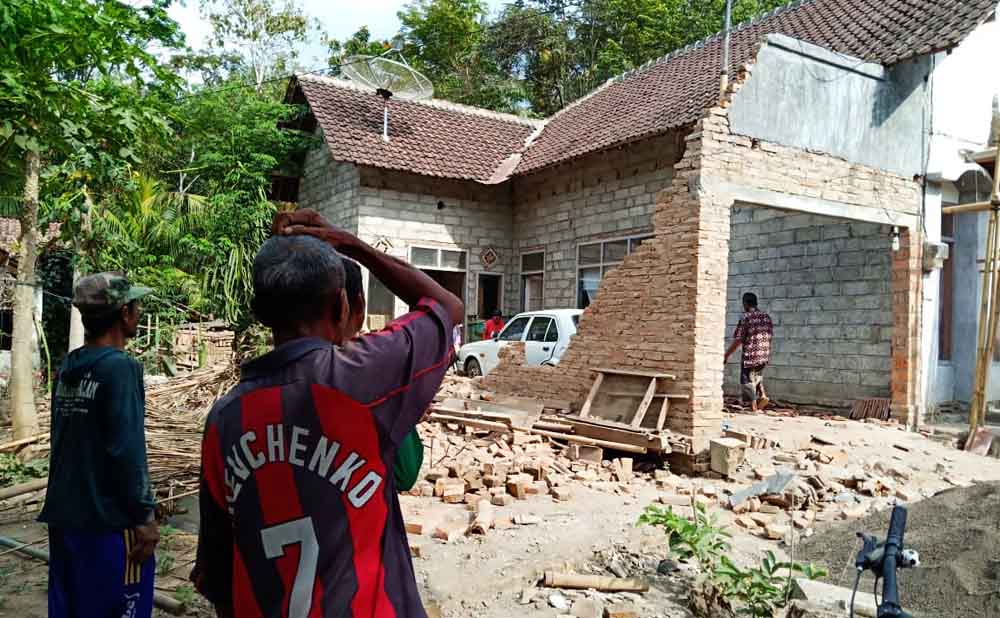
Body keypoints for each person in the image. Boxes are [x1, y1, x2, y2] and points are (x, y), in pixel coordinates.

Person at [191, 209, 462, 617]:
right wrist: (354, 245)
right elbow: (447, 307)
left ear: (259, 311)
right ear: (341, 306)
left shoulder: (224, 420)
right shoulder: (364, 379)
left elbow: (219, 578)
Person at [39, 273, 159, 618]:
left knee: (72, 608)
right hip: (107, 524)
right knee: (121, 608)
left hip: (65, 517)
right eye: (136, 305)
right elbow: (128, 448)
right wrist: (144, 517)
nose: (139, 311)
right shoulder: (120, 368)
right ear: (125, 313)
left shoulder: (71, 365)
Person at [342, 258, 425, 493]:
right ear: (358, 308)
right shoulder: (373, 380)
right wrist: (357, 247)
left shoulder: (242, 404)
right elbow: (405, 474)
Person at [725, 292, 774, 412]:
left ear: (745, 304)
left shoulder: (746, 317)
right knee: (757, 376)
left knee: (746, 380)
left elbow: (739, 339)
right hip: (764, 352)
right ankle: (762, 396)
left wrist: (726, 355)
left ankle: (753, 407)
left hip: (750, 354)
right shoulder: (766, 316)